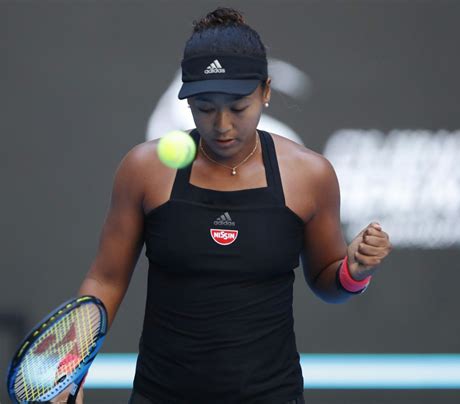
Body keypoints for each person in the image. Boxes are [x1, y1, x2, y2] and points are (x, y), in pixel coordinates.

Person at [57, 7, 392, 404]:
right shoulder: (144, 170)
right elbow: (104, 281)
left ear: (265, 91)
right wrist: (68, 371)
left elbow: (327, 281)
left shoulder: (310, 175)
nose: (222, 125)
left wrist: (353, 272)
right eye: (204, 107)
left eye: (237, 106)